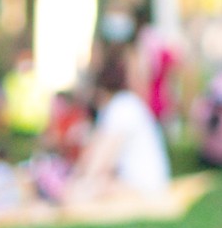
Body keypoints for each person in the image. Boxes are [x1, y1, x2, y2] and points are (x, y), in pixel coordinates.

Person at [67, 49, 171, 202]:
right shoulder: (127, 105)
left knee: (79, 192)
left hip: (142, 189)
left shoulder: (122, 107)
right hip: (147, 187)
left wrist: (76, 181)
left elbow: (97, 164)